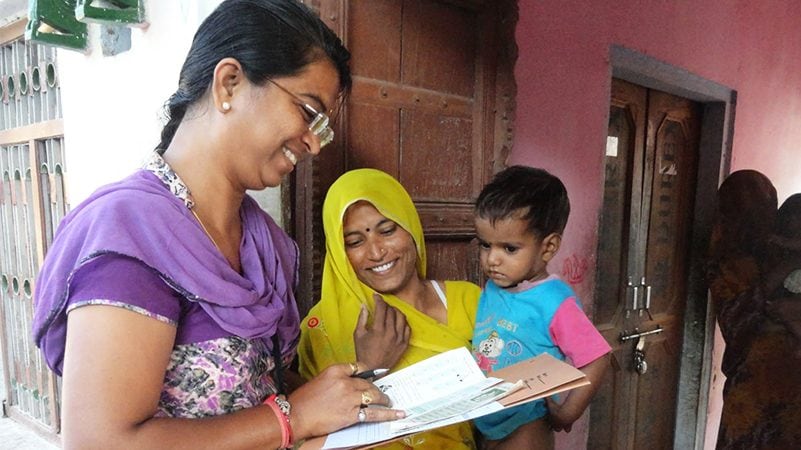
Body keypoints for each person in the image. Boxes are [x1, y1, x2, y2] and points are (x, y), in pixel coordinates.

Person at [31, 1, 403, 448]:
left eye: (321, 129)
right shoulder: (132, 232)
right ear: (229, 82)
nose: (313, 145)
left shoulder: (266, 243)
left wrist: (339, 399)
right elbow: (100, 442)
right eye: (308, 113)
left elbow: (256, 388)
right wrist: (293, 417)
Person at [298, 168, 482, 449]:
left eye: (387, 230)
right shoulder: (323, 327)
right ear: (338, 253)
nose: (376, 252)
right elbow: (310, 432)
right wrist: (369, 367)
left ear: (410, 227)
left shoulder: (469, 300)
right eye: (355, 242)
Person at [470, 166, 611, 450]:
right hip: (485, 417)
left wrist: (568, 411)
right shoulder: (494, 288)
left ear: (547, 248)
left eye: (509, 249)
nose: (492, 260)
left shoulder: (554, 301)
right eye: (486, 245)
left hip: (527, 424)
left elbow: (598, 357)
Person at [707, 170, 801, 448]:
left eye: (768, 204)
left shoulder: (774, 244)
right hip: (753, 386)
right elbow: (739, 319)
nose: (765, 215)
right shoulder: (726, 258)